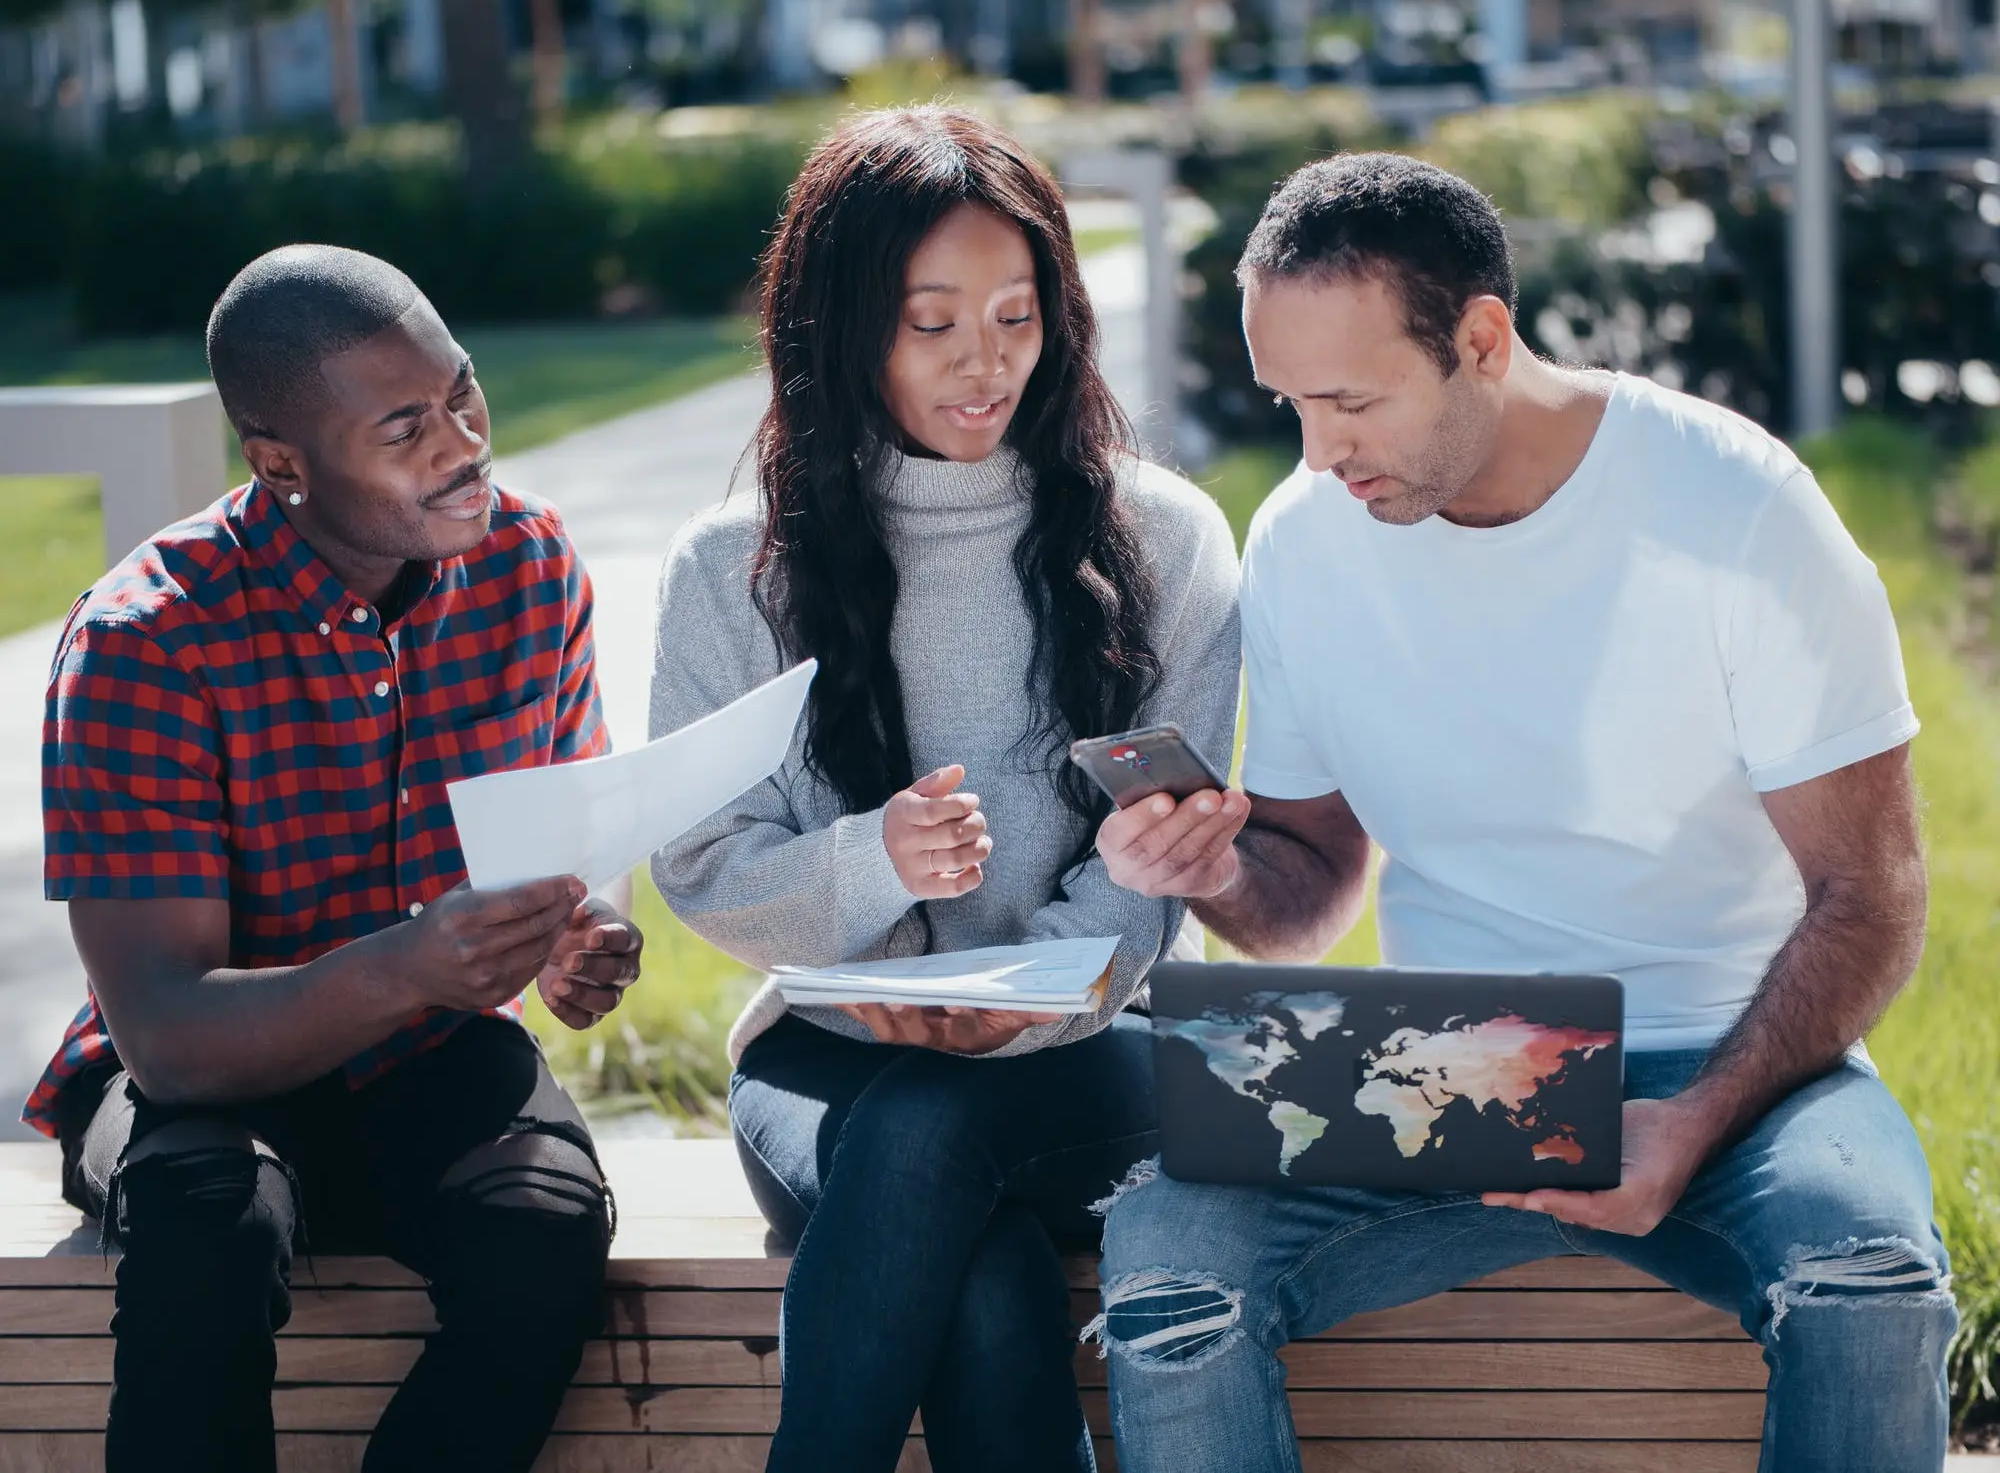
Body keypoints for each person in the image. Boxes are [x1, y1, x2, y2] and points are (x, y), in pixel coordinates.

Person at [1089, 153, 1956, 1472]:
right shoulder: (1308, 540)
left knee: (1869, 1285)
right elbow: (1312, 891)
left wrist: (1696, 1117)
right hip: (1447, 1064)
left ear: (1482, 341)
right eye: (1291, 405)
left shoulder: (1737, 509)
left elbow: (1875, 892)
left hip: (1742, 1060)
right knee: (1164, 1264)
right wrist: (1202, 866)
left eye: (1352, 402)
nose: (1320, 454)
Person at [647, 106, 1240, 1473]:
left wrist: (1015, 1006)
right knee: (976, 1268)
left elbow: (1146, 867)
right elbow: (706, 865)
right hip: (823, 1060)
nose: (987, 363)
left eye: (1017, 314)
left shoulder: (1165, 539)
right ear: (842, 327)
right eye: (933, 324)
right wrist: (872, 868)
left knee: (931, 1134)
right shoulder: (730, 568)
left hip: (1098, 1052)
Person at [26, 244, 645, 1473]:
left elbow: (583, 818)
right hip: (207, 1081)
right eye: (405, 425)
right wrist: (414, 962)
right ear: (280, 465)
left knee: (546, 1230)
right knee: (207, 1227)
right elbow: (164, 1034)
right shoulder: (145, 642)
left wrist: (584, 929)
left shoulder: (527, 562)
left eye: (462, 390)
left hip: (425, 1055)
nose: (463, 439)